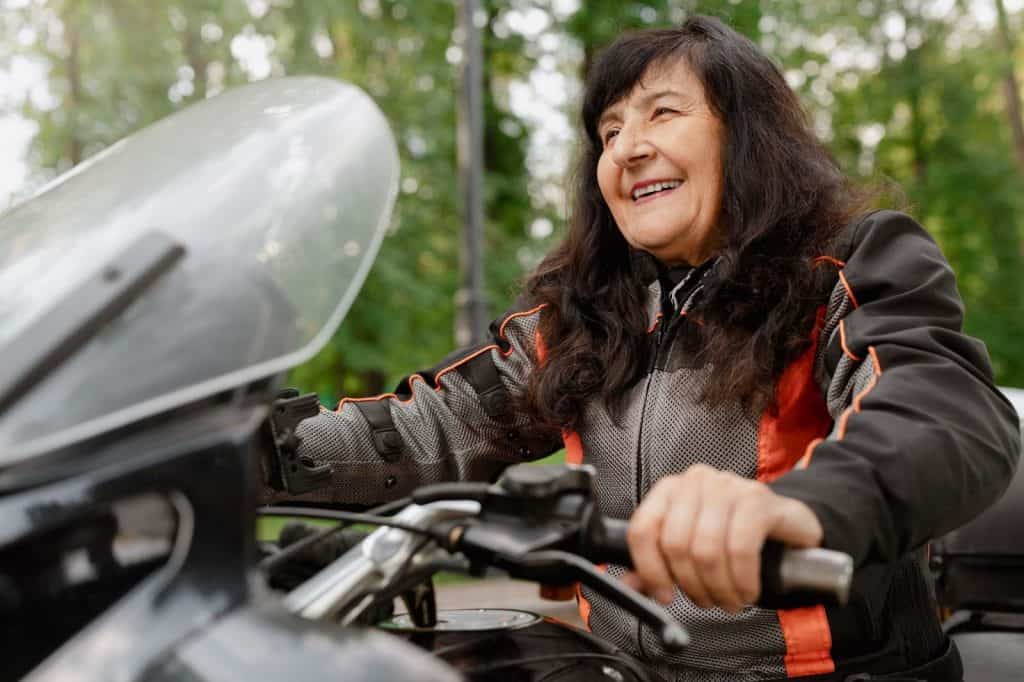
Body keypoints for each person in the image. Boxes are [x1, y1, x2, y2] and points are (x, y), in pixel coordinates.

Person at [263, 16, 1020, 682]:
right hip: (621, 670)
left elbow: (942, 412)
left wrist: (798, 507)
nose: (628, 148)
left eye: (663, 112)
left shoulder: (849, 264)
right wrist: (253, 450)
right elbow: (435, 425)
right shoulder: (582, 313)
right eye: (610, 132)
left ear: (747, 135)